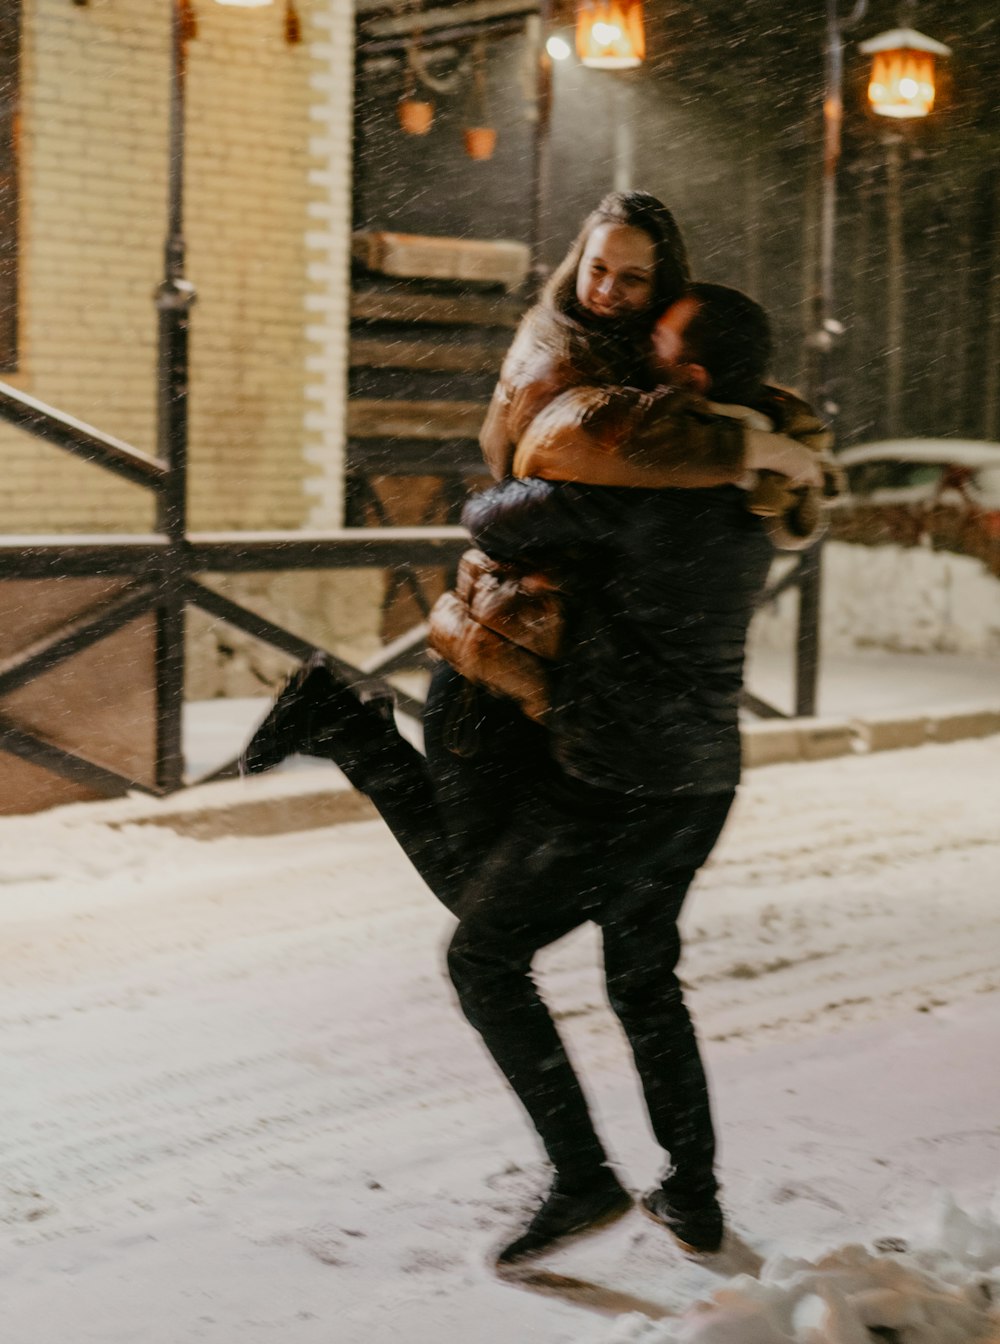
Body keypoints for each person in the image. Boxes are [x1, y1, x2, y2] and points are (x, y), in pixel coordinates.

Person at [240, 193, 826, 910]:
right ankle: (336, 722)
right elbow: (600, 442)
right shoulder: (559, 358)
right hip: (502, 643)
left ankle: (336, 722)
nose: (606, 290)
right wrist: (759, 447)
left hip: (565, 662)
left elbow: (725, 402)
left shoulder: (650, 367)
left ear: (664, 290)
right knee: (485, 899)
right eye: (597, 268)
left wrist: (785, 441)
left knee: (514, 893)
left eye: (632, 279)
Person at [441, 283, 807, 1265]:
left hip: (609, 775)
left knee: (483, 961)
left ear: (685, 375)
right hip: (700, 779)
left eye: (657, 342)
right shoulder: (753, 492)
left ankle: (581, 1179)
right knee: (644, 979)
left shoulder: (627, 495)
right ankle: (691, 1190)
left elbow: (493, 516)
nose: (641, 353)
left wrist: (553, 452)